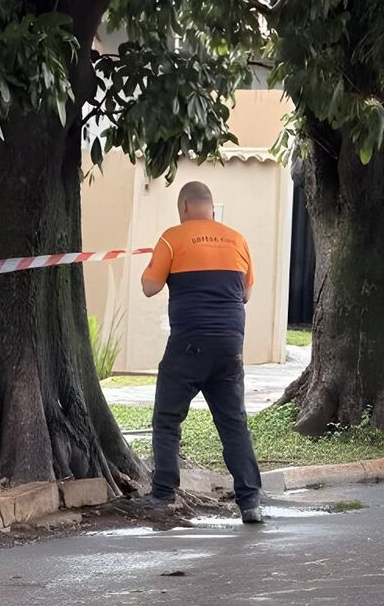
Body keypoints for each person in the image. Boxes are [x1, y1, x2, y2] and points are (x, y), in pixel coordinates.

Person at [139, 181, 265, 523]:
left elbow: (149, 287)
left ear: (183, 208)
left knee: (167, 418)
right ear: (211, 208)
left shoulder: (172, 237)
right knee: (233, 422)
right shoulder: (237, 239)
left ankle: (163, 494)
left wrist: (158, 264)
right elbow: (247, 295)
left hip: (189, 344)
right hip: (229, 345)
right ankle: (250, 501)